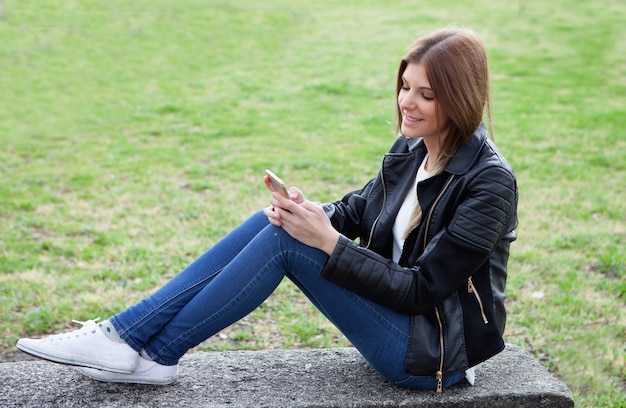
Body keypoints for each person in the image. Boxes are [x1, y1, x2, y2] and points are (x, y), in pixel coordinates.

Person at [16, 27, 518, 392]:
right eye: (405, 86)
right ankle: (135, 345)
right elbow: (358, 209)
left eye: (426, 94)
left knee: (285, 242)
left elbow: (422, 290)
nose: (407, 102)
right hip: (401, 321)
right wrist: (309, 212)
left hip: (433, 354)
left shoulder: (488, 182)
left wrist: (326, 241)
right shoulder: (413, 147)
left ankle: (142, 347)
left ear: (459, 98)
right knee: (273, 220)